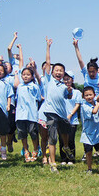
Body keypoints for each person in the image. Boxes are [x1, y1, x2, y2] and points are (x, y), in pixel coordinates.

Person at [43, 37, 75, 173]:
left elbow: (69, 97)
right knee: (53, 138)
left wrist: (69, 91)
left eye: (61, 71)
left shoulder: (64, 85)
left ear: (63, 74)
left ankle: (66, 147)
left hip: (62, 114)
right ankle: (53, 163)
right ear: (52, 72)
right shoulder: (48, 79)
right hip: (50, 112)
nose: (58, 72)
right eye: (56, 70)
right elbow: (48, 62)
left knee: (65, 135)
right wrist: (48, 47)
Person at [14, 62, 41, 162]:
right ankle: (26, 150)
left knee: (33, 132)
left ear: (32, 76)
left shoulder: (35, 87)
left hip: (31, 114)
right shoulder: (20, 87)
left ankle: (35, 149)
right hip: (20, 115)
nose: (25, 76)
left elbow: (38, 98)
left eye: (28, 74)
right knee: (22, 133)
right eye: (24, 74)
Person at [80, 86, 99, 175]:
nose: (89, 97)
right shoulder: (84, 106)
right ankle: (89, 168)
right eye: (86, 95)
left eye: (90, 95)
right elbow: (94, 111)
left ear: (94, 95)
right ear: (83, 97)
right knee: (88, 152)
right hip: (88, 133)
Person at [59, 71, 81, 165]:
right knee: (61, 140)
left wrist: (70, 114)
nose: (66, 81)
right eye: (65, 79)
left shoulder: (77, 92)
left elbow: (77, 105)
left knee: (71, 140)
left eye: (68, 79)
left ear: (72, 80)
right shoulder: (60, 91)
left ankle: (71, 159)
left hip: (72, 120)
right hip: (61, 119)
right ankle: (63, 158)